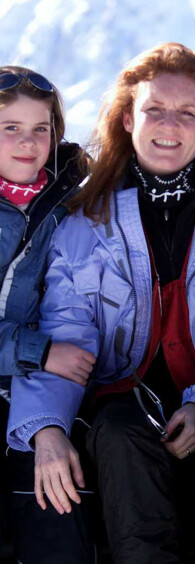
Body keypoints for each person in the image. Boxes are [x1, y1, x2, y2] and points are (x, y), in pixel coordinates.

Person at [7, 42, 195, 564]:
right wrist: (44, 428)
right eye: (155, 110)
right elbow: (67, 334)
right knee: (115, 431)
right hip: (129, 401)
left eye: (187, 114)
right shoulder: (84, 220)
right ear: (129, 118)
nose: (169, 125)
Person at [0, 66, 95, 554]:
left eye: (41, 129)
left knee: (55, 512)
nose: (27, 142)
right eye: (10, 128)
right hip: (31, 362)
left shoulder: (70, 200)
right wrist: (40, 351)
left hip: (28, 391)